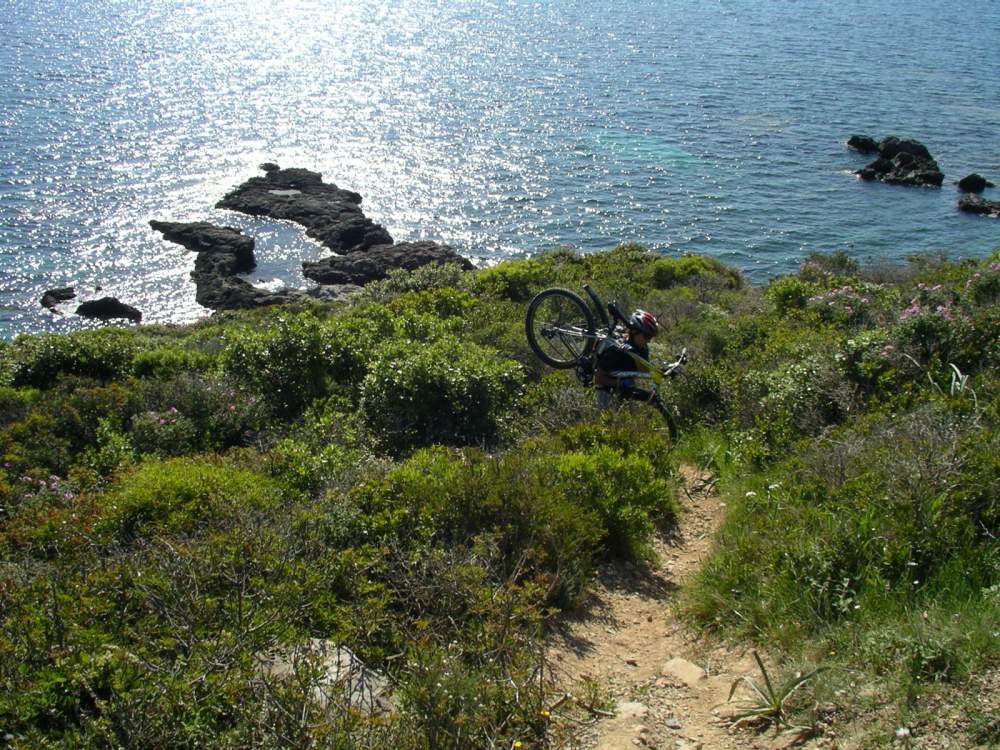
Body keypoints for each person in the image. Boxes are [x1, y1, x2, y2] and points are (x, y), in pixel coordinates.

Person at [594, 309, 662, 412]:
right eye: (646, 336)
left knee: (631, 415)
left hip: (625, 386)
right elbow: (598, 378)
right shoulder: (615, 350)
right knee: (604, 418)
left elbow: (644, 370)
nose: (648, 340)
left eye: (650, 337)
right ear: (634, 331)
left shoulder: (643, 348)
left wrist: (635, 355)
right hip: (606, 387)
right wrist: (621, 384)